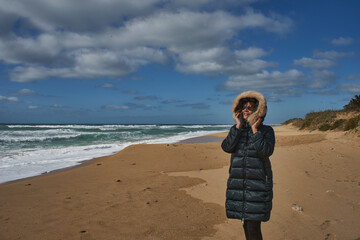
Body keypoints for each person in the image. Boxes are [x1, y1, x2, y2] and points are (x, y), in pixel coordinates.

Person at [221, 91, 275, 240]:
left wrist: (255, 130)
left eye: (250, 107)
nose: (245, 110)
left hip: (257, 185)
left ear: (257, 110)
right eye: (243, 107)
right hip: (239, 185)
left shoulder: (266, 131)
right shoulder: (237, 129)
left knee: (253, 226)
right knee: (246, 223)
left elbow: (265, 152)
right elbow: (227, 147)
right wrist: (237, 127)